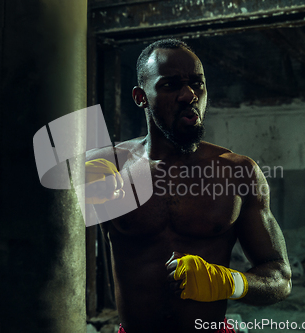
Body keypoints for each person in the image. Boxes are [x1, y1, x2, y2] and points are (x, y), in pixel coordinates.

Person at [85, 39, 292, 333]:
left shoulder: (238, 172)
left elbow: (280, 277)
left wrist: (226, 281)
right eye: (171, 85)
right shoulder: (109, 168)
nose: (189, 95)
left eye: (198, 84)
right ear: (140, 96)